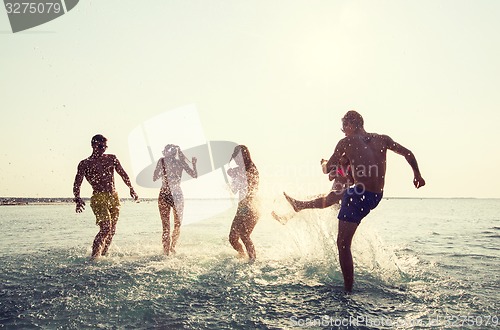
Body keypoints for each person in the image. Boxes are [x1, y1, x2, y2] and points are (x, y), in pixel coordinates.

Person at [326, 110, 425, 292]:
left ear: (350, 125)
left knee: (342, 243)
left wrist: (325, 164)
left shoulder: (345, 142)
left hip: (357, 194)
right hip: (375, 196)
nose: (344, 132)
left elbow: (328, 169)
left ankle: (348, 290)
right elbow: (408, 153)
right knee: (339, 205)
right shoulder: (383, 139)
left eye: (344, 128)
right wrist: (417, 175)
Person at [73, 134, 139, 260]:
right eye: (101, 146)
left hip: (114, 196)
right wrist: (77, 197)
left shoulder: (111, 158)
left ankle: (103, 255)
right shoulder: (85, 164)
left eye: (105, 146)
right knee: (105, 228)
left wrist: (131, 189)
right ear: (93, 145)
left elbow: (123, 174)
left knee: (112, 231)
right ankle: (94, 258)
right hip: (98, 198)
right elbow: (77, 182)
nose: (103, 148)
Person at [273, 156, 353, 224]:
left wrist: (324, 163)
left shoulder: (348, 168)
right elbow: (331, 177)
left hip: (338, 198)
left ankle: (291, 213)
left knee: (310, 201)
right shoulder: (346, 166)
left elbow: (331, 175)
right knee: (309, 200)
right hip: (335, 195)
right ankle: (287, 217)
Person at [153, 144, 198, 255]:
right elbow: (194, 175)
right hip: (177, 194)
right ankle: (172, 247)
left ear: (167, 152)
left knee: (166, 226)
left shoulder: (162, 161)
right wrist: (193, 164)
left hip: (164, 193)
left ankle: (166, 252)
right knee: (177, 224)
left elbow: (154, 178)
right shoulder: (180, 162)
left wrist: (162, 171)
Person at [227, 145, 260, 261]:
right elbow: (234, 189)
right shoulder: (239, 170)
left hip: (252, 206)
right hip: (242, 207)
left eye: (237, 157)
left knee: (244, 235)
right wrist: (233, 178)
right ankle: (242, 255)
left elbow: (251, 185)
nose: (235, 160)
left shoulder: (251, 168)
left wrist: (236, 174)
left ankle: (252, 260)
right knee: (232, 238)